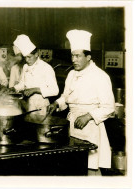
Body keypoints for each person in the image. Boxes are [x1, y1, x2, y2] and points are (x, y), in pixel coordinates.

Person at [47, 29, 115, 175]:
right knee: (74, 167)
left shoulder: (100, 76)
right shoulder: (71, 74)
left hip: (91, 128)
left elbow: (109, 107)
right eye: (72, 56)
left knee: (91, 168)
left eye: (78, 56)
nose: (73, 60)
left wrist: (88, 116)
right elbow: (66, 97)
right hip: (71, 125)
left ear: (88, 57)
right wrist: (57, 104)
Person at [10, 34, 59, 115]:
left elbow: (55, 90)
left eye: (29, 57)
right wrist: (13, 89)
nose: (27, 60)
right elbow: (22, 83)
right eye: (25, 57)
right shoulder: (25, 67)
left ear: (36, 54)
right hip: (28, 105)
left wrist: (35, 89)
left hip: (42, 106)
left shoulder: (46, 67)